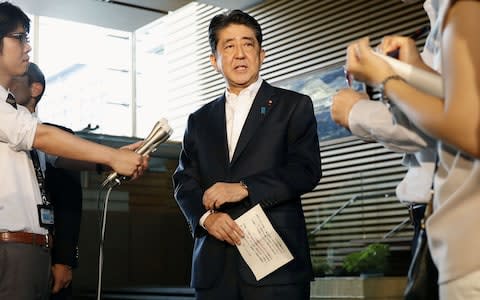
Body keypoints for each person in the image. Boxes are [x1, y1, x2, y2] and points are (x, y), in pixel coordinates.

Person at [0, 2, 148, 300]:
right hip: (9, 248)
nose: (28, 47)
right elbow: (40, 136)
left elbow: (54, 156)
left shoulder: (12, 108)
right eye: (20, 38)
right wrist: (112, 157)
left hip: (32, 248)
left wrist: (109, 161)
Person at [173, 9, 322, 300]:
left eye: (248, 44)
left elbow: (305, 170)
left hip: (276, 266)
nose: (239, 54)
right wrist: (206, 219)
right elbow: (183, 181)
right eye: (228, 46)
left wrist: (244, 188)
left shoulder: (294, 105)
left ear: (262, 54)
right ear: (214, 60)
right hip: (213, 267)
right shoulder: (198, 119)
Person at [343, 0, 480, 298]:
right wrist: (413, 69)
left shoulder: (462, 6)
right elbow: (460, 97)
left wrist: (384, 81)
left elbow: (468, 126)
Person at [330, 0, 437, 251]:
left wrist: (356, 111)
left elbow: (443, 123)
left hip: (452, 211)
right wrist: (407, 73)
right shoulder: (441, 25)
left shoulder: (461, 22)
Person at [10, 62, 82, 300]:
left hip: (50, 252)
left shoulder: (58, 138)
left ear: (35, 89)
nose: (7, 87)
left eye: (15, 81)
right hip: (13, 251)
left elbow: (69, 205)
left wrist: (64, 260)